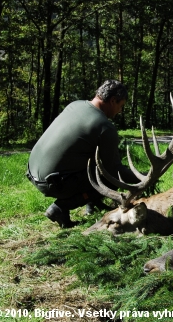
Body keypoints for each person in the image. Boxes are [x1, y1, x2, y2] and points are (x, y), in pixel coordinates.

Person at [26, 80, 138, 228]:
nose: (120, 111)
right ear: (112, 101)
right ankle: (61, 207)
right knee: (109, 179)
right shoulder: (105, 127)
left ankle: (89, 207)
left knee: (92, 162)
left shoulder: (75, 105)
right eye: (120, 105)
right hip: (52, 183)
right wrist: (140, 178)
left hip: (33, 172)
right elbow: (114, 170)